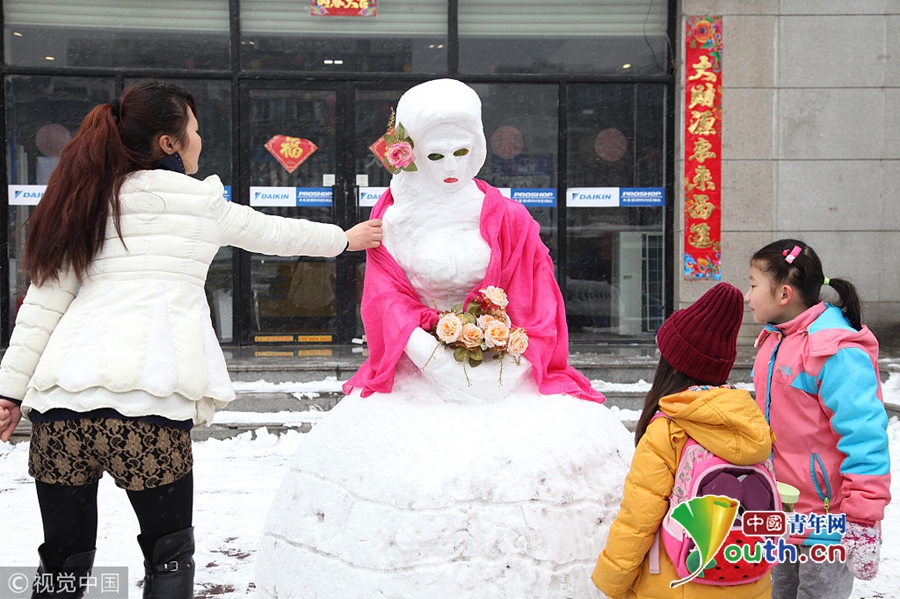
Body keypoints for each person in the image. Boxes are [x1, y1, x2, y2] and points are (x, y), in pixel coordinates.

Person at [0, 79, 382, 598]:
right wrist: (346, 239)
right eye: (195, 130)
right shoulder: (199, 201)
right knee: (168, 555)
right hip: (149, 402)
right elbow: (274, 233)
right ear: (169, 143)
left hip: (62, 408)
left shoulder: (85, 198)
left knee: (61, 564)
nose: (200, 140)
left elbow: (43, 304)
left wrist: (9, 392)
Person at [254, 78, 632, 598]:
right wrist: (434, 357)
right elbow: (386, 298)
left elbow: (535, 296)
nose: (452, 167)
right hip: (418, 362)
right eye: (436, 155)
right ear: (409, 155)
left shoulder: (508, 216)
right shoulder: (395, 217)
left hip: (507, 360)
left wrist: (507, 363)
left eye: (462, 151)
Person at [593, 282, 773, 599]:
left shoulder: (671, 429)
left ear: (672, 366)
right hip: (749, 581)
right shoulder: (751, 423)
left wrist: (611, 583)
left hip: (680, 584)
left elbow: (638, 520)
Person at [745, 239, 890, 599]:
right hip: (781, 513)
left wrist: (862, 520)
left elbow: (865, 436)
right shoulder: (775, 341)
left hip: (829, 520)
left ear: (784, 294)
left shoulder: (833, 350)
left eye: (752, 284)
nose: (746, 296)